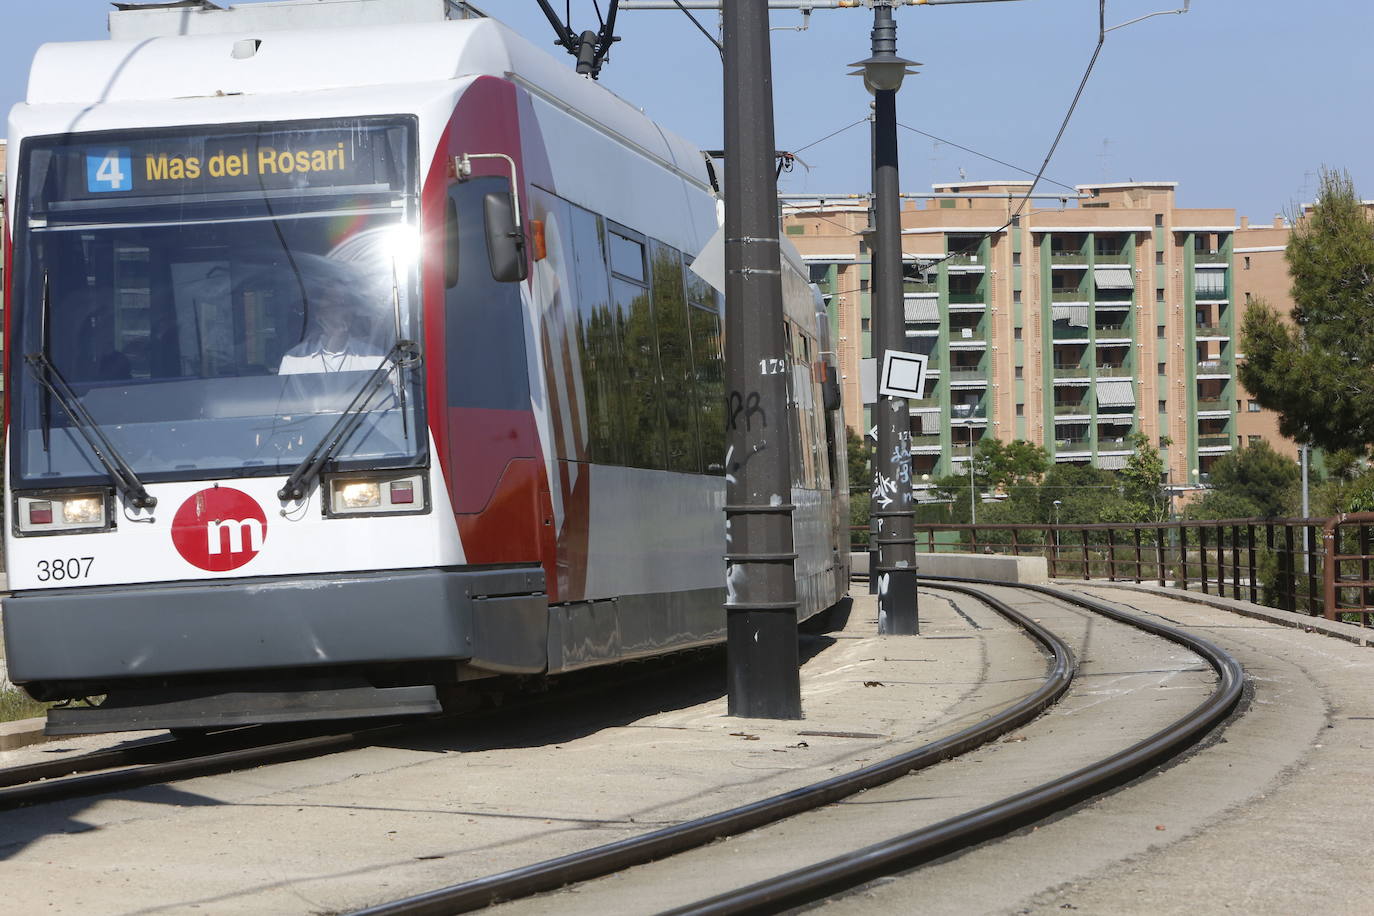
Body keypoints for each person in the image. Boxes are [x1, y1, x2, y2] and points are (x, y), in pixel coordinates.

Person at [277, 276, 388, 375]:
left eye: (345, 304)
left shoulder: (374, 359)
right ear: (319, 314)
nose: (341, 312)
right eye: (334, 305)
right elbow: (284, 397)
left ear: (351, 314)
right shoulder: (294, 361)